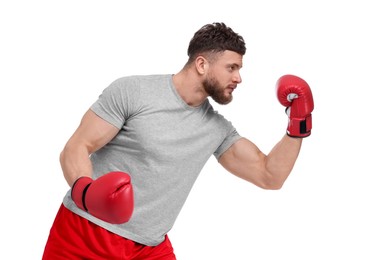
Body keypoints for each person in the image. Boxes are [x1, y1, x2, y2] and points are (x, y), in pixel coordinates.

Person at [42, 22, 314, 259]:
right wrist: (86, 192)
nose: (238, 78)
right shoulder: (133, 92)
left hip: (149, 246)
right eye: (231, 67)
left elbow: (269, 176)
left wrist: (297, 125)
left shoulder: (216, 129)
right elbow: (77, 146)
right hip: (84, 232)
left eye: (239, 69)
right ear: (201, 64)